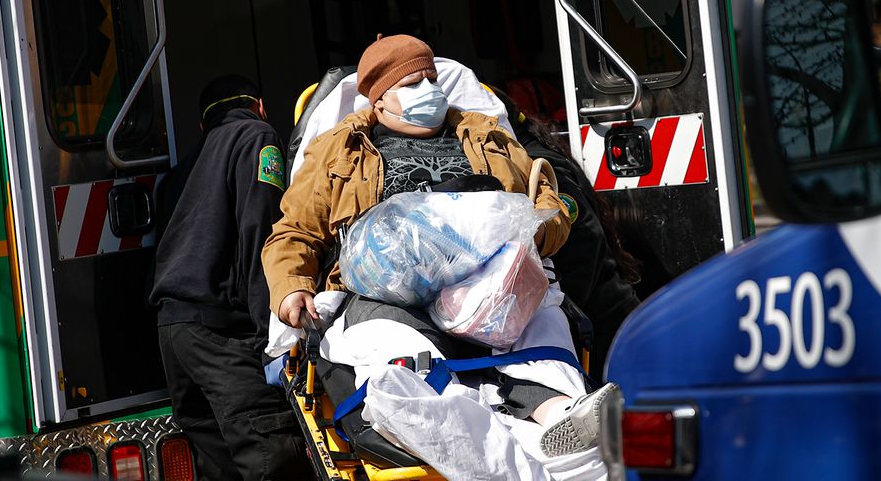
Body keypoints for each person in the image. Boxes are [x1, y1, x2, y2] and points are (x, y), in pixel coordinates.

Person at [262, 35, 616, 464]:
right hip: (387, 295)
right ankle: (469, 428)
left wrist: (529, 231)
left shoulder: (487, 136)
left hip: (487, 287)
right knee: (391, 345)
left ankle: (560, 414)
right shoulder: (338, 152)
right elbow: (294, 232)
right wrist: (291, 287)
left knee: (539, 319)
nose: (428, 90)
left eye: (431, 79)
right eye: (411, 84)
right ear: (378, 100)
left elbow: (547, 204)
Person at [149, 75, 310, 481]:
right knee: (272, 455)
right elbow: (261, 235)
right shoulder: (257, 137)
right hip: (219, 332)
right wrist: (270, 337)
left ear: (203, 125)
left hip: (174, 334)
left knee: (221, 468)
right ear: (260, 106)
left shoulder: (178, 174)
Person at [499, 93, 642, 379]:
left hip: (608, 330)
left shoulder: (540, 166)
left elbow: (583, 246)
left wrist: (550, 311)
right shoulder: (530, 154)